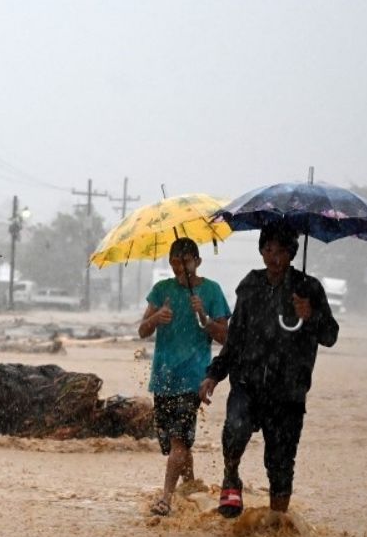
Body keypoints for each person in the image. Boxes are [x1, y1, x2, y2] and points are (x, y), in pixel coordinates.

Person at [199, 222, 338, 518]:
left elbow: (330, 336)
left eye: (281, 251)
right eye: (268, 250)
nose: (273, 257)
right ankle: (231, 475)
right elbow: (235, 340)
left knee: (280, 462)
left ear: (292, 253)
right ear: (261, 251)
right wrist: (213, 374)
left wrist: (310, 315)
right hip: (247, 385)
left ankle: (277, 525)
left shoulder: (309, 289)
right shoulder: (250, 286)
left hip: (288, 393)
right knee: (235, 429)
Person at [139, 238, 230, 517]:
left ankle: (166, 498)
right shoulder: (161, 290)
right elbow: (143, 331)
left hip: (193, 378)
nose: (181, 267)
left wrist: (203, 315)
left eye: (186, 260)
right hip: (163, 377)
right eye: (175, 261)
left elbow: (226, 337)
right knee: (173, 444)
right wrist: (157, 318)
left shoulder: (212, 291)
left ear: (198, 261)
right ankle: (190, 486)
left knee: (178, 440)